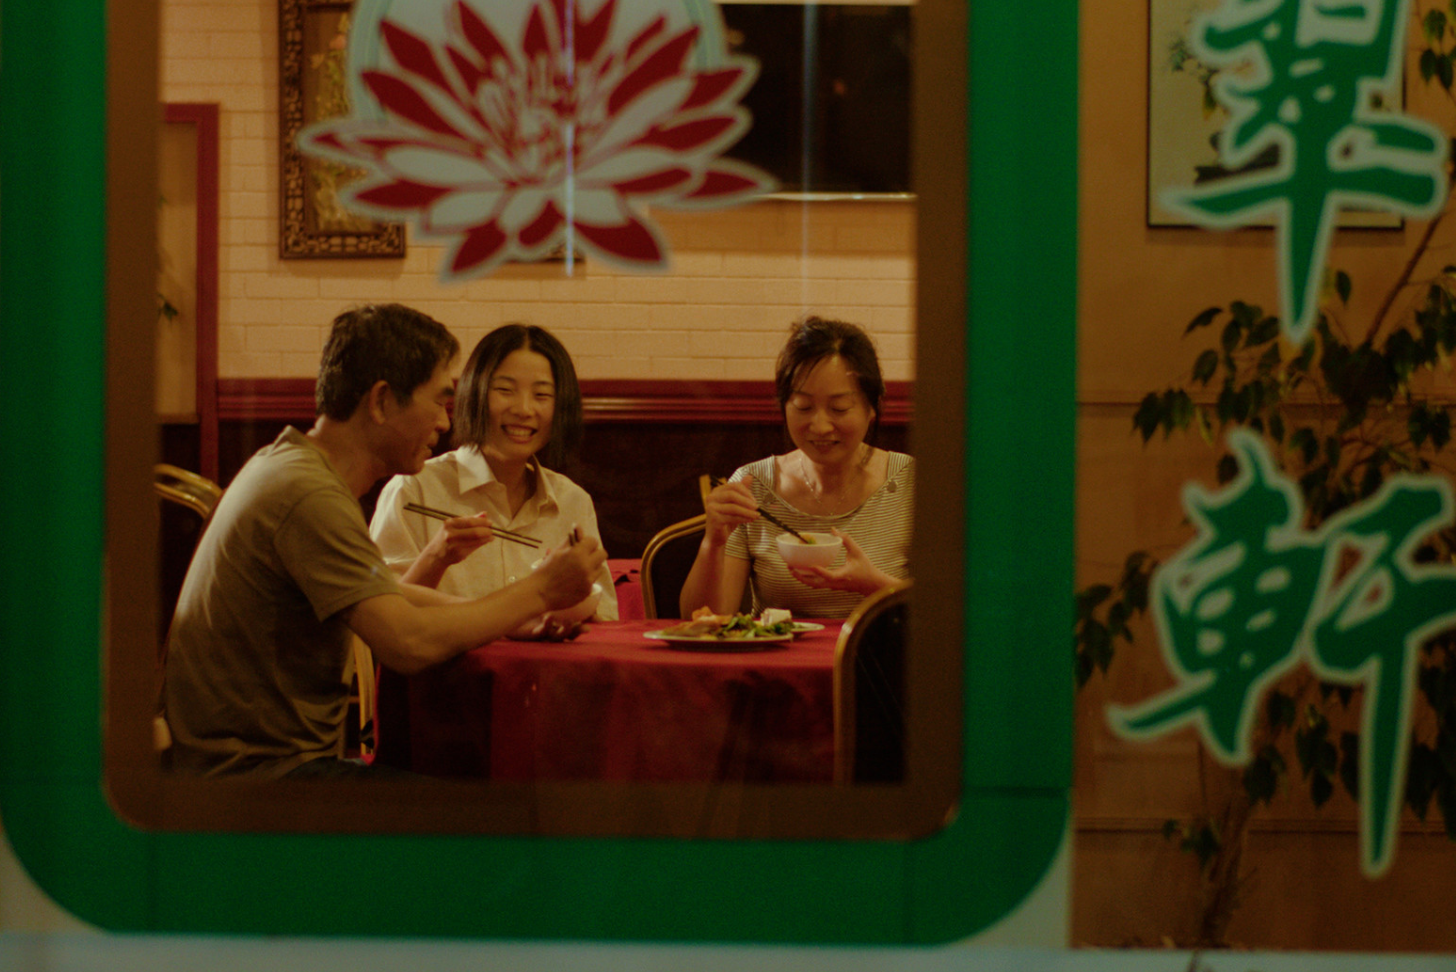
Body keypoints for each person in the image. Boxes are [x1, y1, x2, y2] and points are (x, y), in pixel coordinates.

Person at [162, 304, 605, 779]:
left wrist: (516, 617)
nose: (444, 422)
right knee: (498, 821)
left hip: (260, 767)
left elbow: (395, 595)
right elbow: (406, 644)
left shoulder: (295, 469)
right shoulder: (307, 494)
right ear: (381, 401)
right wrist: (539, 591)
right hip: (254, 779)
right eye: (438, 401)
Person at [370, 324, 617, 625]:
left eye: (541, 395)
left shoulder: (572, 502)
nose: (524, 409)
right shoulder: (414, 489)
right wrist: (436, 558)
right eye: (505, 390)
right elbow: (382, 617)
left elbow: (602, 613)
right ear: (475, 392)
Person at [678, 316, 913, 620]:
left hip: (878, 664)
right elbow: (702, 618)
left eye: (839, 408)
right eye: (803, 407)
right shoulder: (754, 485)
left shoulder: (911, 482)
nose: (820, 425)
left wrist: (875, 586)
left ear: (872, 408)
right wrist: (714, 541)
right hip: (774, 665)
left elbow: (952, 612)